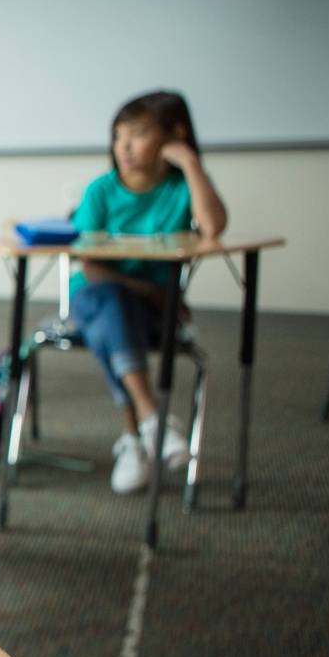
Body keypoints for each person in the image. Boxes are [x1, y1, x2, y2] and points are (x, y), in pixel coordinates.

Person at [69, 90, 228, 494]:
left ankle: (135, 438)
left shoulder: (180, 188)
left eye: (137, 134)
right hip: (96, 298)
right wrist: (149, 290)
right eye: (118, 136)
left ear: (173, 136)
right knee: (111, 306)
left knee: (112, 328)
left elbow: (213, 228)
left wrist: (190, 163)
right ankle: (151, 417)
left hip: (149, 310)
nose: (124, 146)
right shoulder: (101, 190)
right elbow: (90, 267)